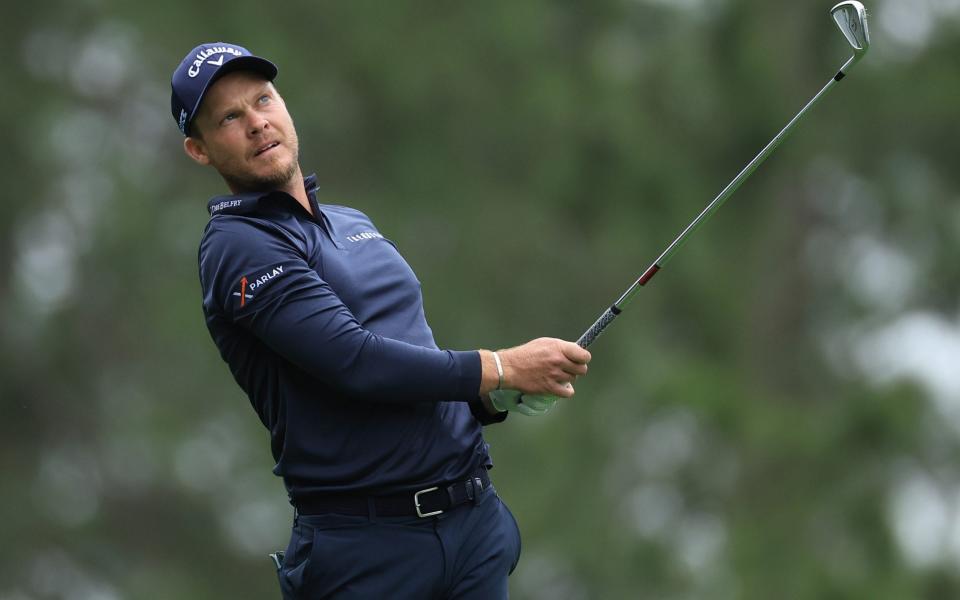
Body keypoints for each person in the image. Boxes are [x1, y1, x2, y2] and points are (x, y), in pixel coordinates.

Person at [171, 42, 591, 599]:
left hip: (471, 525)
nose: (256, 123)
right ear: (199, 150)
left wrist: (488, 401)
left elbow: (410, 356)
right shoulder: (237, 247)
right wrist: (500, 367)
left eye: (263, 100)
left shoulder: (351, 222)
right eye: (229, 117)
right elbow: (356, 362)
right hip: (368, 553)